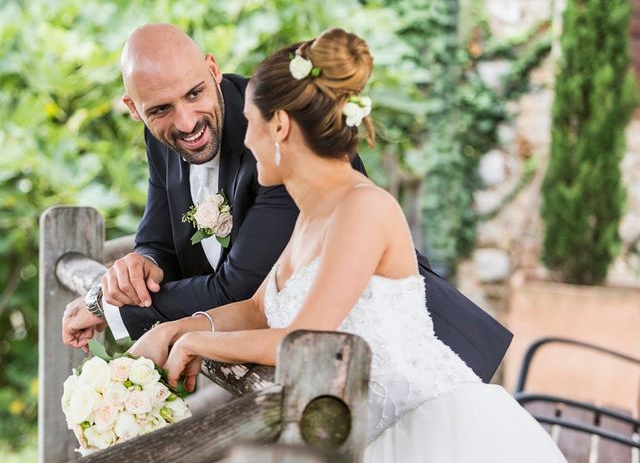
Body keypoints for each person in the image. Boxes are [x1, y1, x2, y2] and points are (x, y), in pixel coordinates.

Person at [128, 28, 566, 462]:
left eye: (253, 125)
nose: (243, 141)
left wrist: (197, 345)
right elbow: (258, 309)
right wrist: (176, 329)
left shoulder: (363, 210)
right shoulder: (311, 214)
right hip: (360, 436)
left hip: (430, 435)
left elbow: (306, 340)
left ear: (279, 126)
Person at [61, 23, 512, 383]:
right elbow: (256, 304)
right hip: (329, 381)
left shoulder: (326, 187)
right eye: (160, 109)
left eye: (195, 94)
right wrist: (149, 287)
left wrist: (151, 322)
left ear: (276, 128)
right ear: (137, 108)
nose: (185, 119)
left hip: (406, 370)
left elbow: (258, 304)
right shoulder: (297, 196)